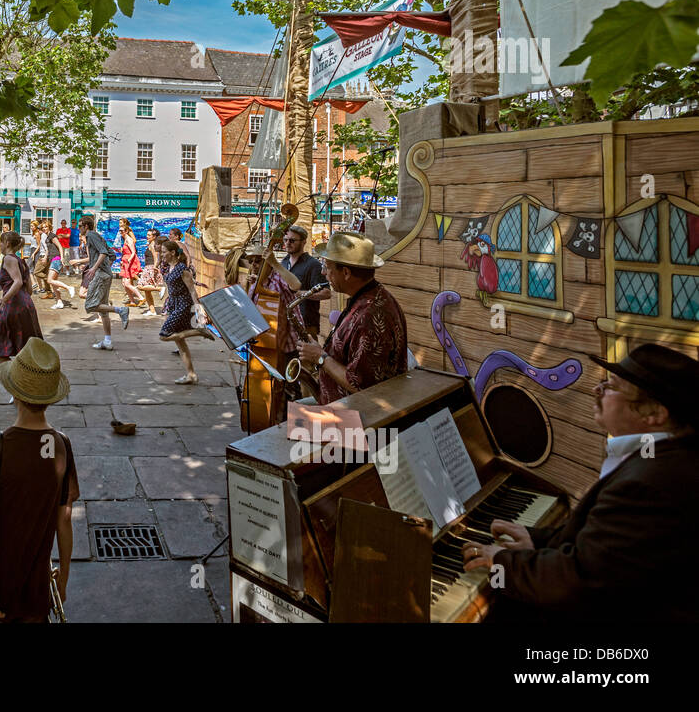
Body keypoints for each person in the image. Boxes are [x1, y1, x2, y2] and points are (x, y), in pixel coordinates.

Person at [463, 344, 699, 623]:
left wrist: (502, 562)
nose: (596, 391)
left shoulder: (649, 484)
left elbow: (578, 580)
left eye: (611, 387)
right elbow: (603, 550)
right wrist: (537, 541)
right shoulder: (666, 457)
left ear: (654, 414)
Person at [0, 338, 77, 622]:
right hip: (34, 588)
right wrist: (64, 578)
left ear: (15, 392)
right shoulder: (60, 445)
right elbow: (64, 519)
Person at [295, 231, 406, 405]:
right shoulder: (373, 296)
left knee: (294, 422)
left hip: (356, 416)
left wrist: (320, 357)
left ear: (346, 273)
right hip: (341, 402)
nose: (324, 273)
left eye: (328, 267)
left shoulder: (369, 317)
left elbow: (359, 385)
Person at [0, 231, 44, 363]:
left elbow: (17, 282)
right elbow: (29, 290)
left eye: (0, 242)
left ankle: (12, 377)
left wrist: (4, 299)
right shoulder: (21, 261)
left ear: (6, 243)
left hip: (13, 305)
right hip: (27, 305)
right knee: (24, 347)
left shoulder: (9, 259)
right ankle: (22, 376)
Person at [157, 240, 210, 385]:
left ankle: (200, 332)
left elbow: (192, 291)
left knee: (164, 335)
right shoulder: (170, 267)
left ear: (172, 253)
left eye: (163, 252)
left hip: (183, 305)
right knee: (180, 343)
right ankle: (191, 374)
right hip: (174, 304)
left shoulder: (182, 269)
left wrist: (199, 311)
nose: (162, 255)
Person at [79, 215, 129, 351]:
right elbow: (111, 254)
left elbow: (103, 253)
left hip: (100, 275)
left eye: (80, 226)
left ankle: (121, 310)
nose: (78, 228)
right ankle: (107, 341)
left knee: (90, 305)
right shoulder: (97, 237)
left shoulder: (91, 236)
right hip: (105, 274)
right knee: (103, 311)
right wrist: (105, 267)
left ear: (86, 226)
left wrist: (95, 268)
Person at [281, 225, 329, 336]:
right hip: (285, 322)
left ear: (303, 242)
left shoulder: (313, 265)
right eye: (285, 240)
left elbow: (326, 293)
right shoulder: (283, 262)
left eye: (292, 240)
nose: (288, 243)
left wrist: (299, 294)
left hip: (306, 325)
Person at [136, 230, 166, 317]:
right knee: (146, 291)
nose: (147, 236)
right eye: (147, 235)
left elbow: (156, 257)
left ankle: (159, 289)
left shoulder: (153, 245)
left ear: (154, 237)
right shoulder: (151, 244)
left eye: (149, 235)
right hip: (148, 267)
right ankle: (152, 310)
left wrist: (155, 268)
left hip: (151, 267)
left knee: (140, 286)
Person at [117, 218, 144, 306]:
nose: (120, 231)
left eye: (121, 231)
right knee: (124, 283)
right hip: (125, 261)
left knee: (128, 282)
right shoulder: (124, 238)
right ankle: (132, 301)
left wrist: (129, 259)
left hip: (129, 261)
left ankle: (141, 297)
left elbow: (133, 250)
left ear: (125, 230)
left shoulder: (129, 237)